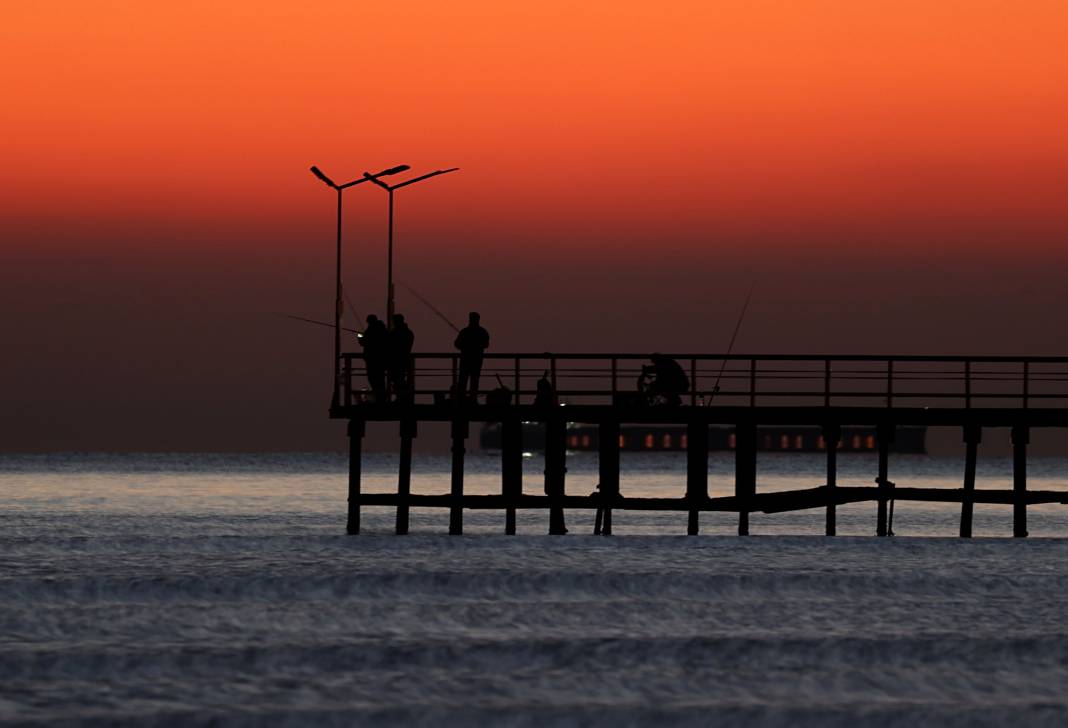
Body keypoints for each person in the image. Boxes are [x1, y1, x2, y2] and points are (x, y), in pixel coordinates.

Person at [454, 312, 490, 402]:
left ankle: (461, 401)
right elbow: (486, 344)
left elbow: (457, 344)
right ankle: (473, 400)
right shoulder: (482, 332)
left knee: (463, 381)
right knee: (474, 382)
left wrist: (466, 344)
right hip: (477, 361)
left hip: (465, 361)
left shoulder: (464, 332)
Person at [358, 314, 388, 403]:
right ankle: (381, 397)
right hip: (381, 360)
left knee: (373, 378)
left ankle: (380, 398)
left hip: (372, 359)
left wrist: (359, 336)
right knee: (380, 379)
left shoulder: (371, 330)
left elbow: (363, 342)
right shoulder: (383, 329)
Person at [387, 313, 415, 402]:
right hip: (404, 360)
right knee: (400, 379)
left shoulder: (395, 333)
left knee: (397, 380)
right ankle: (403, 397)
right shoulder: (409, 332)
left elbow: (389, 344)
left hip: (396, 361)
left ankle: (401, 398)